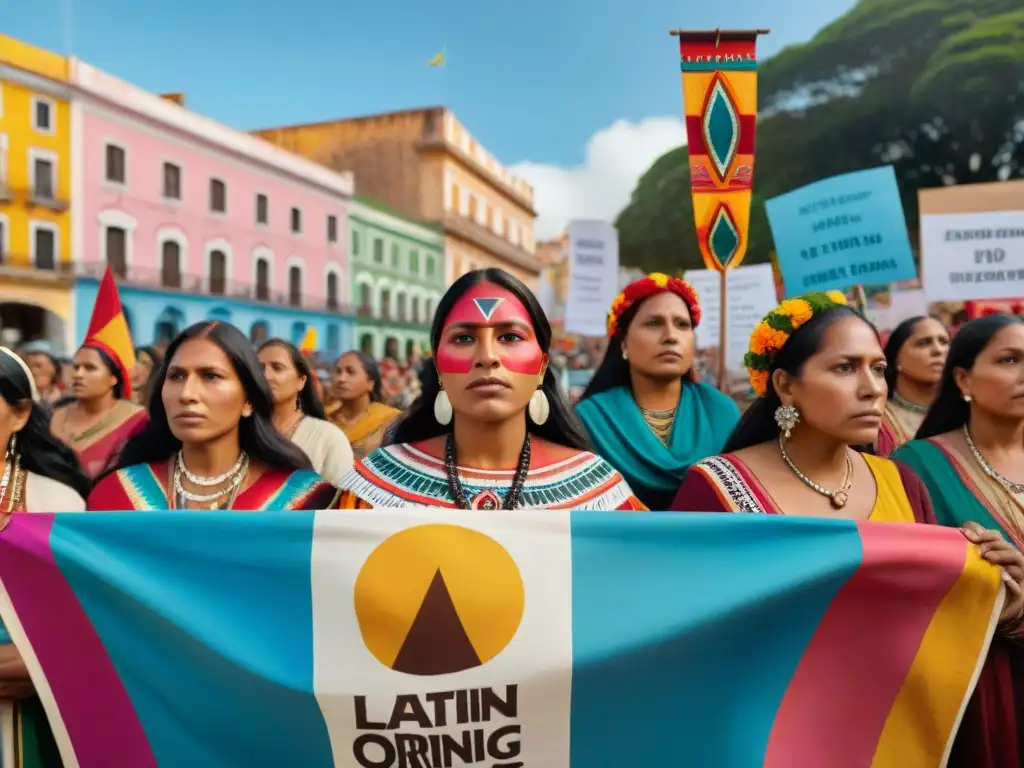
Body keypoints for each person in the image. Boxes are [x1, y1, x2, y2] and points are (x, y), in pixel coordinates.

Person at [336, 268, 645, 510]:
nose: (487, 357)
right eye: (464, 339)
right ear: (439, 368)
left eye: (510, 337)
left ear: (541, 366)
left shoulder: (597, 493)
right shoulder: (373, 489)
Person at [894, 314, 1024, 767]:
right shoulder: (917, 465)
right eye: (1010, 360)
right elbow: (910, 589)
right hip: (985, 687)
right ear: (963, 377)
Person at [87, 322, 339, 511]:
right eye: (176, 376)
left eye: (211, 376)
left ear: (249, 399)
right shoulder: (116, 495)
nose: (187, 394)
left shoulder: (304, 500)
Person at [576, 273, 740, 509]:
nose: (671, 337)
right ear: (623, 343)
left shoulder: (722, 413)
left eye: (682, 325)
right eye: (654, 323)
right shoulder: (589, 420)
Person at [0, 347, 90, 768]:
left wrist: (41, 658)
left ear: (19, 415)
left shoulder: (59, 502)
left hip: (31, 714)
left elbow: (84, 614)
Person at [257, 339, 353, 486]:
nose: (266, 375)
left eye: (277, 368)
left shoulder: (328, 438)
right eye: (259, 368)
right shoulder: (236, 434)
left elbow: (341, 504)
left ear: (301, 380)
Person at [50, 345, 147, 480]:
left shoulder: (138, 420)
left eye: (90, 368)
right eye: (76, 367)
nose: (78, 374)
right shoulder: (52, 415)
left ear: (113, 378)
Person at [876, 315, 949, 455]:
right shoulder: (878, 420)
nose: (938, 350)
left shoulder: (967, 413)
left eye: (944, 342)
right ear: (896, 357)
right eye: (923, 343)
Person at [329, 351, 402, 460]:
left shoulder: (389, 420)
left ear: (370, 383)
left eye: (351, 372)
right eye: (338, 372)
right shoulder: (323, 418)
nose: (341, 379)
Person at [17, 340, 63, 405]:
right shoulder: (15, 401)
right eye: (27, 366)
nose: (33, 371)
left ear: (54, 368)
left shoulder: (67, 402)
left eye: (38, 365)